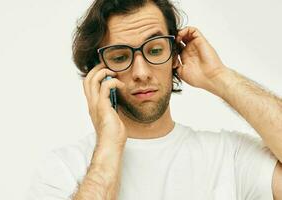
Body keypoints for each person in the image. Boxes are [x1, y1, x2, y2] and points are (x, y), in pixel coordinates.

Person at [27, 0, 282, 199]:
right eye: (119, 57)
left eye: (156, 50)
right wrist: (109, 145)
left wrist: (219, 77)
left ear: (174, 55)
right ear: (98, 71)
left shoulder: (228, 156)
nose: (141, 73)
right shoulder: (64, 168)